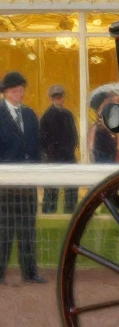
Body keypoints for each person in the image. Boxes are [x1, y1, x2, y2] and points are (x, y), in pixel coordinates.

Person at [0, 72, 42, 284]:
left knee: (27, 228)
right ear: (5, 92)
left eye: (22, 90)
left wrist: (35, 171)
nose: (20, 94)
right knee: (4, 229)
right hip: (5, 184)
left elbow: (36, 146)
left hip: (28, 182)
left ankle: (30, 273)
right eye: (16, 90)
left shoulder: (29, 114)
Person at [39, 84, 78, 214]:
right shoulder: (46, 117)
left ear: (63, 98)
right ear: (51, 98)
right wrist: (52, 152)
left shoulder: (68, 115)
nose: (58, 99)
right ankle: (49, 211)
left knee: (71, 186)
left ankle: (70, 211)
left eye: (60, 97)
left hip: (68, 156)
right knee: (51, 188)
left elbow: (74, 136)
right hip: (53, 157)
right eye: (55, 97)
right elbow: (43, 139)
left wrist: (70, 149)